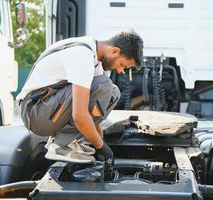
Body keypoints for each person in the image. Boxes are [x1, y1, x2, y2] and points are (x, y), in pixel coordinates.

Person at [17, 29, 144, 164]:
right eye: (122, 65)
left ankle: (70, 141)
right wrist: (101, 147)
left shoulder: (94, 58)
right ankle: (60, 145)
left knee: (112, 93)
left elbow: (95, 110)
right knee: (104, 86)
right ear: (115, 51)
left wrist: (99, 142)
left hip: (46, 109)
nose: (119, 71)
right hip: (34, 113)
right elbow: (80, 115)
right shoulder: (82, 54)